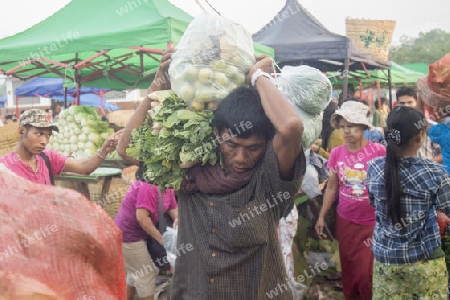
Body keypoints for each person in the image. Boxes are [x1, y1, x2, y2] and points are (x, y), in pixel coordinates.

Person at [118, 50, 306, 299]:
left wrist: (258, 76)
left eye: (253, 148)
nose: (240, 158)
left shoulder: (268, 182)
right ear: (217, 135)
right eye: (232, 145)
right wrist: (157, 86)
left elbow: (291, 127)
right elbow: (124, 149)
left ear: (267, 144)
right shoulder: (189, 175)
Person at [366, 105, 450, 299]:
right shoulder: (434, 172)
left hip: (385, 262)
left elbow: (373, 202)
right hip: (424, 263)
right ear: (420, 137)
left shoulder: (374, 168)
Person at [315, 100, 386, 300]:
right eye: (343, 127)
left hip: (371, 223)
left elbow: (389, 185)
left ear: (363, 126)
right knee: (348, 266)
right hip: (345, 221)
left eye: (351, 126)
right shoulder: (337, 153)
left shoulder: (378, 152)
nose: (346, 131)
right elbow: (332, 186)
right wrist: (321, 215)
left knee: (367, 272)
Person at [0, 109, 119, 185]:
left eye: (48, 136)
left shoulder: (47, 157)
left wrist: (104, 150)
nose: (44, 141)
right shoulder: (4, 168)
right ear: (21, 131)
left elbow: (84, 167)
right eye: (39, 134)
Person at [114, 180, 178, 300]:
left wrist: (178, 220)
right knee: (147, 273)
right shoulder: (147, 187)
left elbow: (173, 207)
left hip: (141, 235)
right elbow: (142, 218)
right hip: (128, 235)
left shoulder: (167, 186)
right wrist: (161, 239)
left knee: (136, 272)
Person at [396, 86, 442, 162]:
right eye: (402, 103)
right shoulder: (395, 125)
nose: (406, 106)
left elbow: (444, 153)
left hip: (427, 171)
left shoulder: (429, 126)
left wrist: (425, 164)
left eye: (410, 102)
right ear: (397, 104)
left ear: (416, 102)